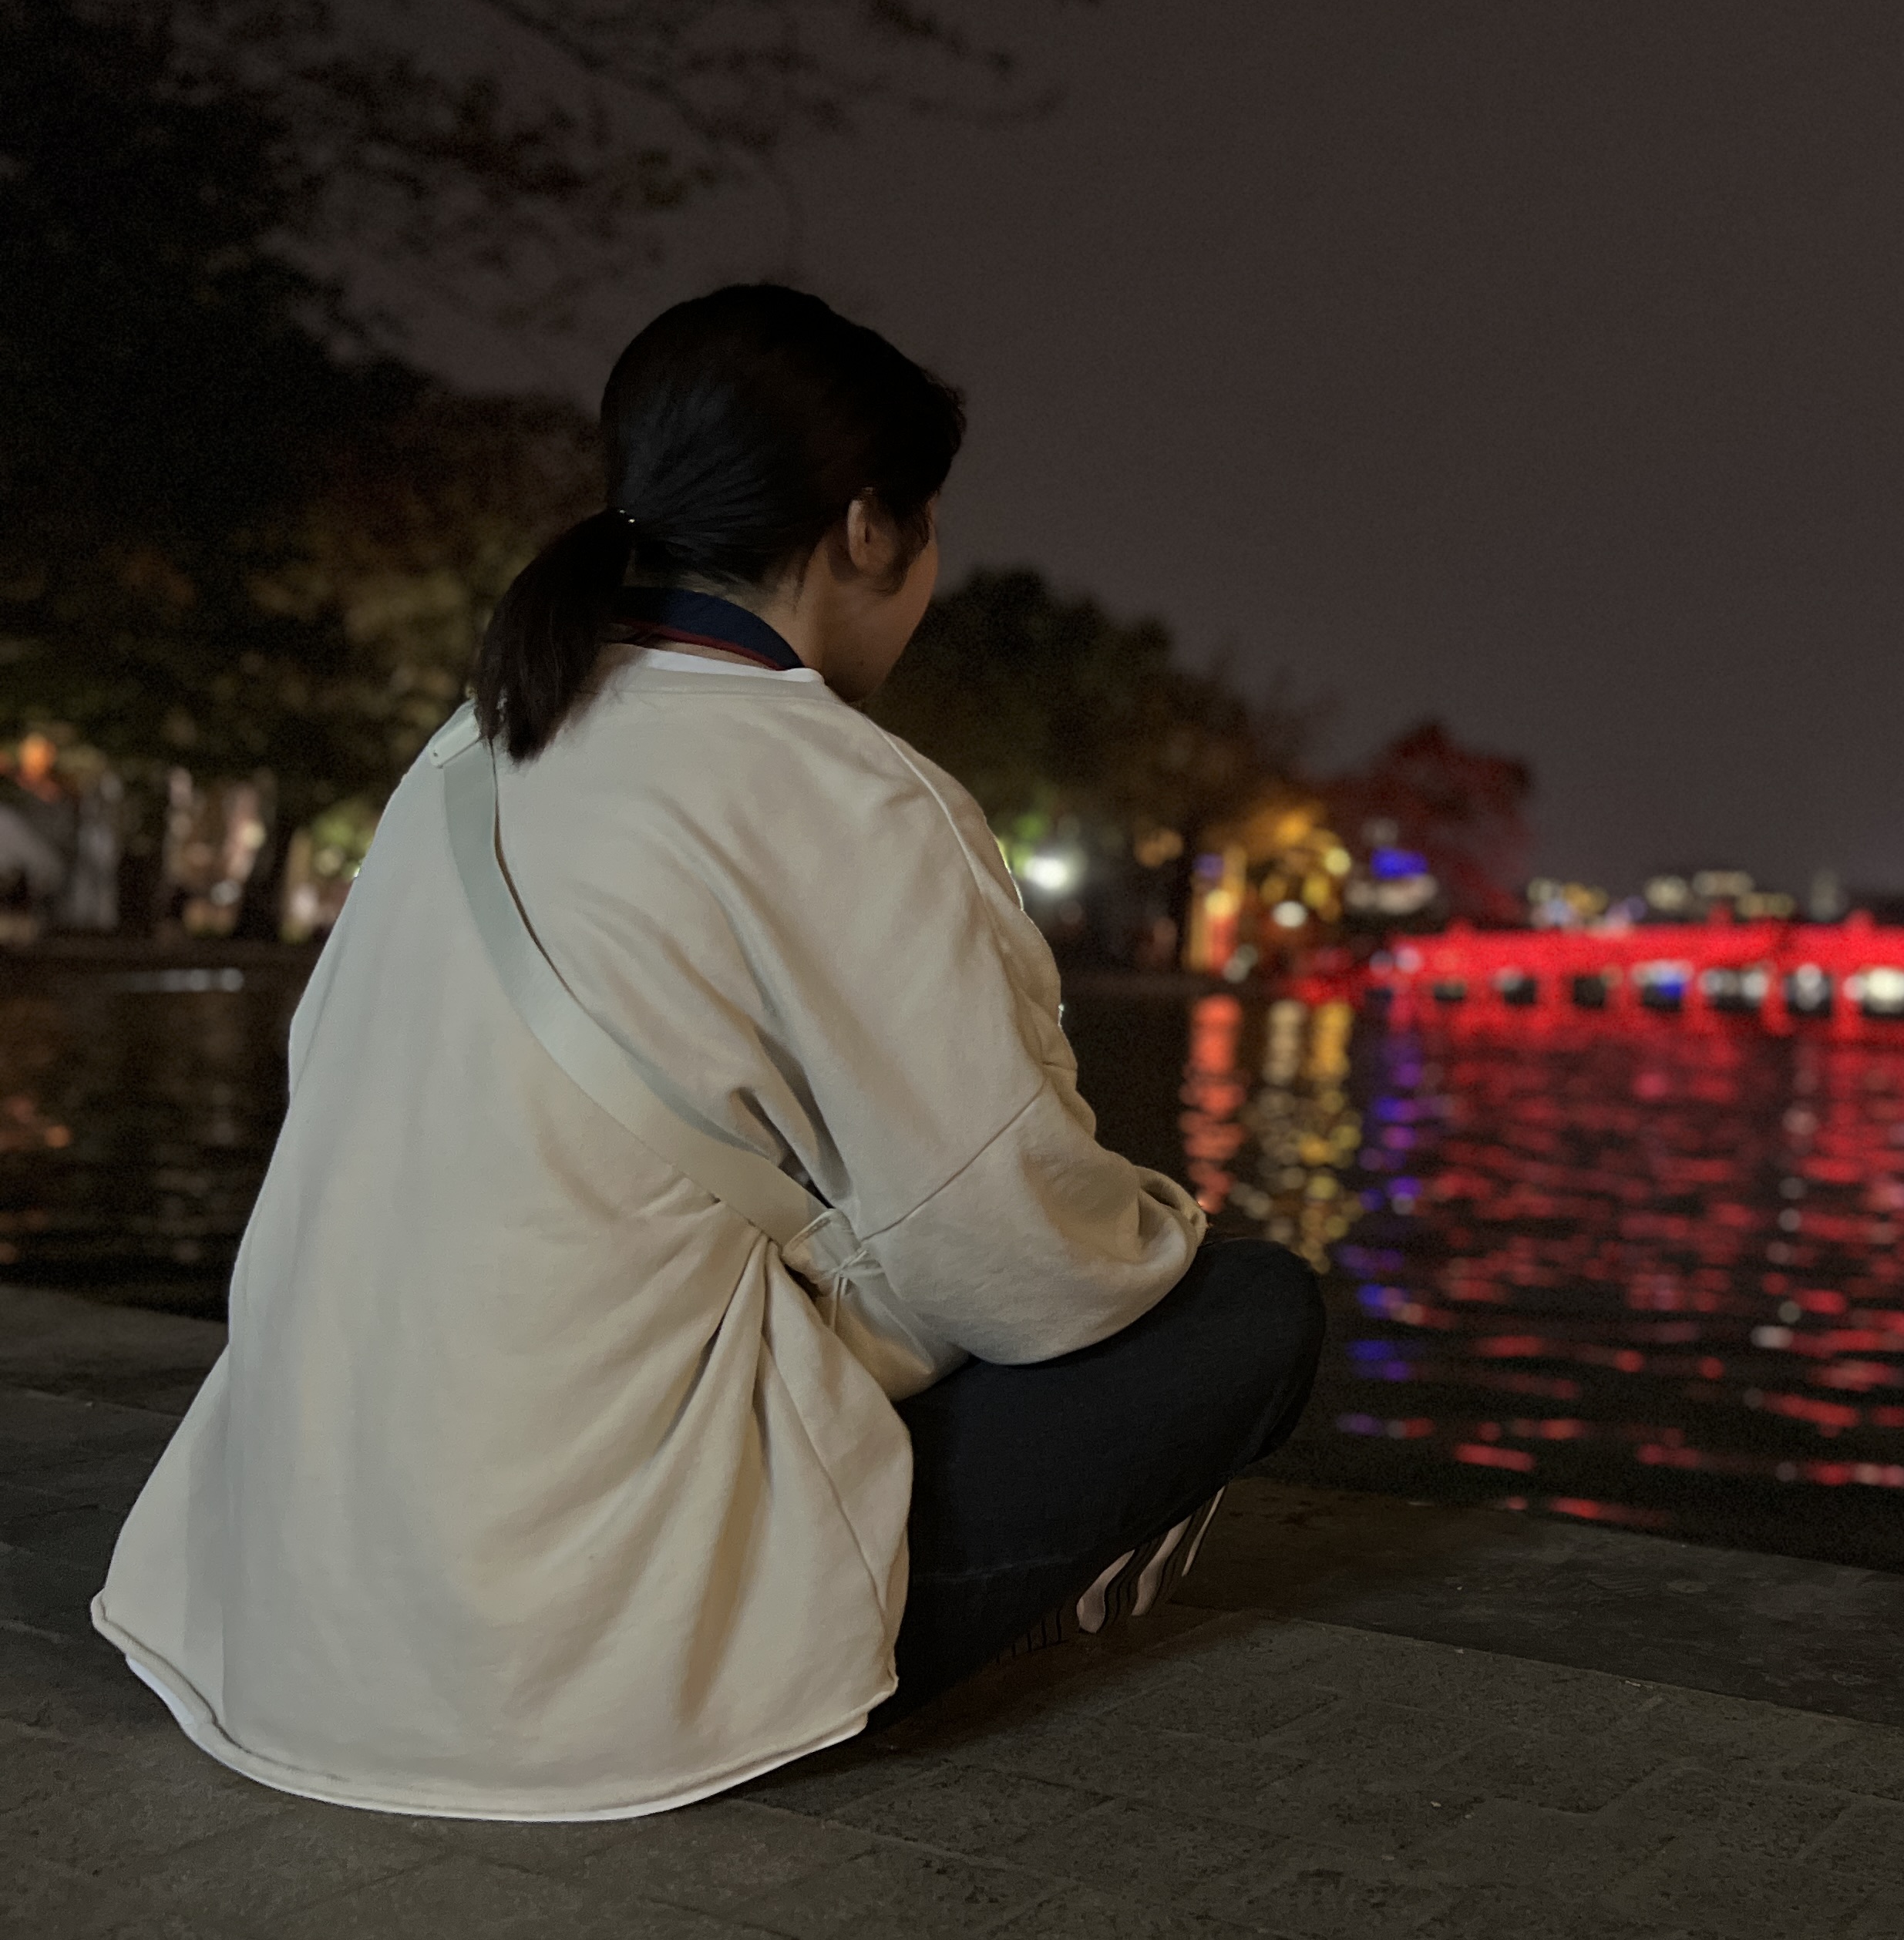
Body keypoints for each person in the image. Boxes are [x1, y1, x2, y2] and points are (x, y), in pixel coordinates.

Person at [93, 284, 1323, 1821]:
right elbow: (1019, 1261)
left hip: (288, 1613)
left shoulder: (467, 756)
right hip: (570, 1678)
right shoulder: (849, 794)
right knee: (1249, 1311)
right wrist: (1165, 1229)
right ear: (871, 529)